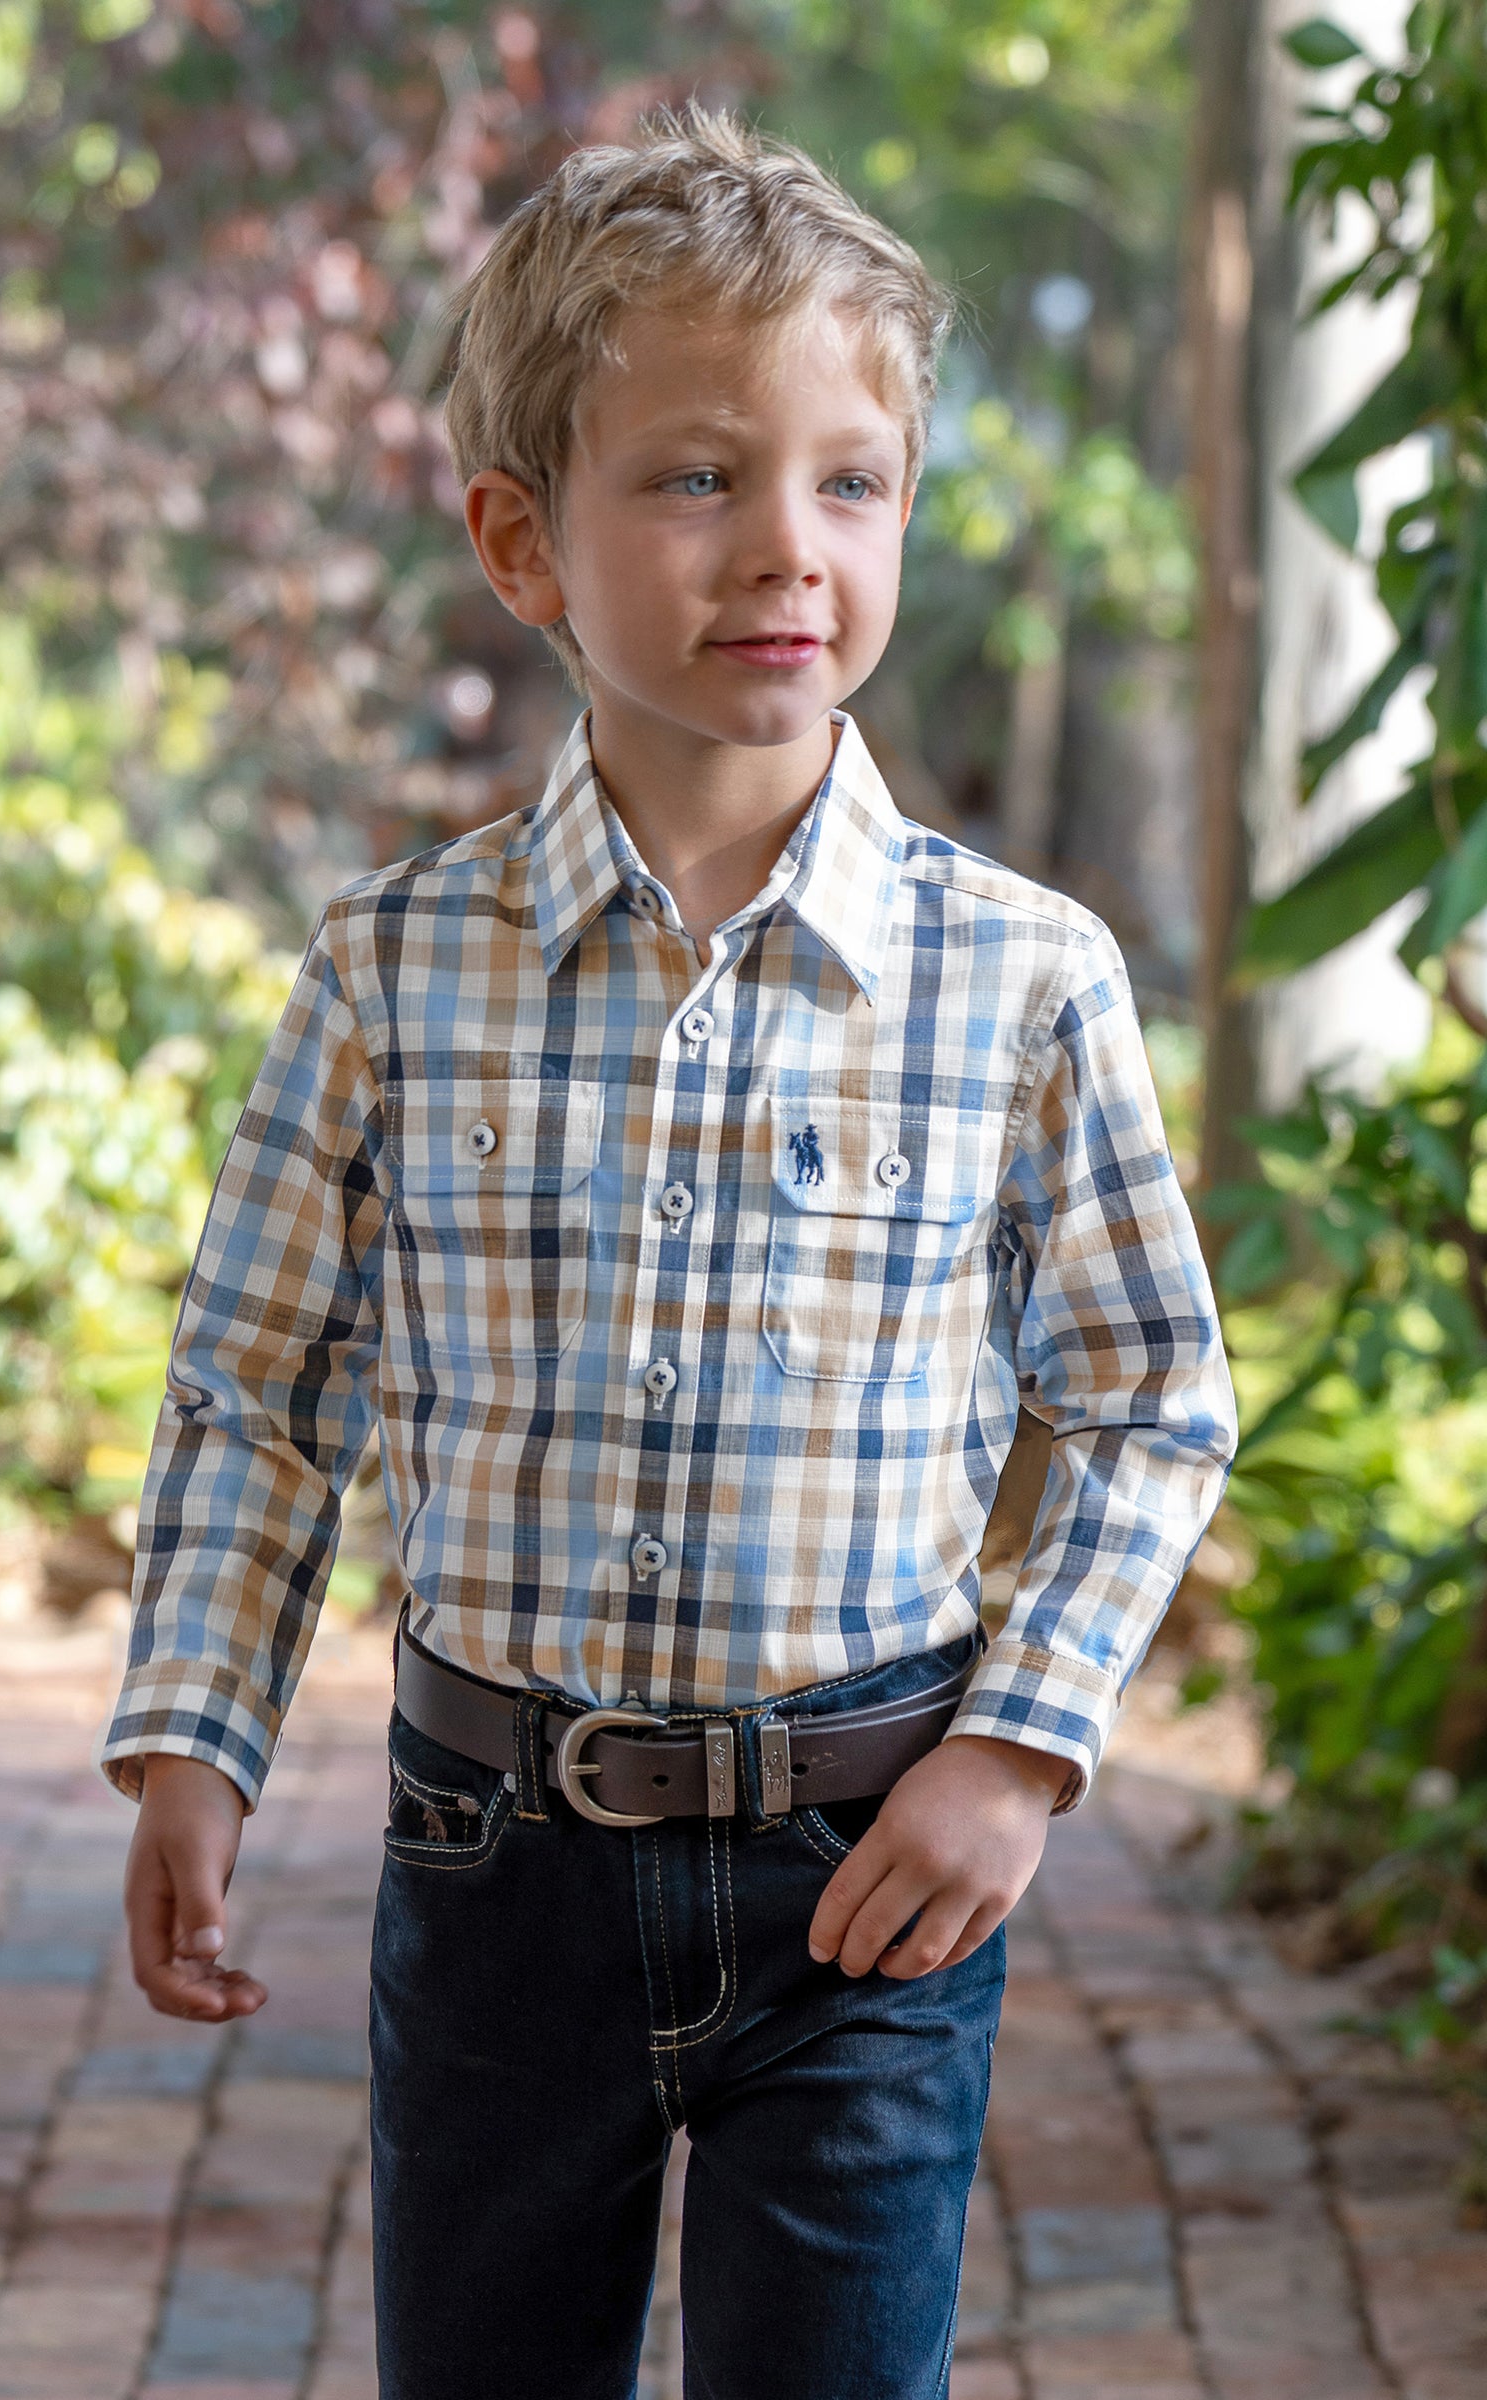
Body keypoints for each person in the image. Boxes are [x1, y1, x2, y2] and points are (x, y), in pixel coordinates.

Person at [104, 107, 1236, 2400]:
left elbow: (1146, 1397)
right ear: (520, 541)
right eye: (697, 477)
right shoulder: (391, 967)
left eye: (850, 482)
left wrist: (1014, 1755)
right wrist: (195, 1743)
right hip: (491, 1865)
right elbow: (257, 1392)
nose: (785, 546)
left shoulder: (1019, 977)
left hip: (868, 1874)